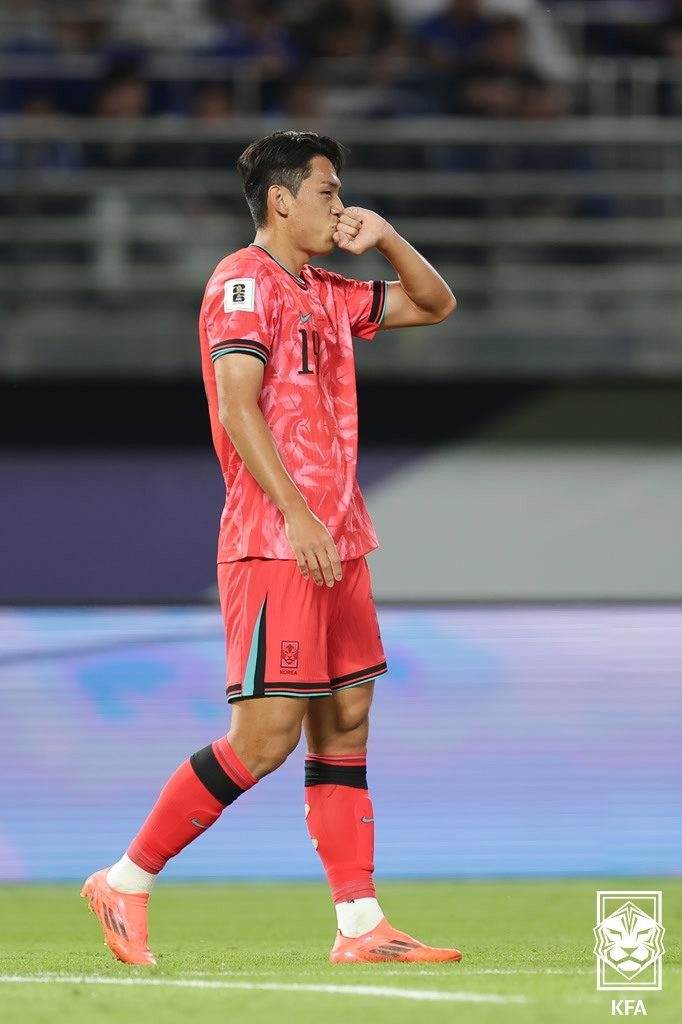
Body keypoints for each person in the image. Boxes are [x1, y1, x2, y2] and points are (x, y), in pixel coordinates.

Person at [81, 130, 459, 966]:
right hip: (277, 540)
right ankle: (126, 879)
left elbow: (434, 304)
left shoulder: (326, 289)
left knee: (346, 719)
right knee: (265, 738)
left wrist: (388, 237)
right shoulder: (242, 285)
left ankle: (360, 925)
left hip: (339, 537)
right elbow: (237, 404)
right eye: (328, 191)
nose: (339, 205)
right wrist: (297, 514)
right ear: (282, 199)